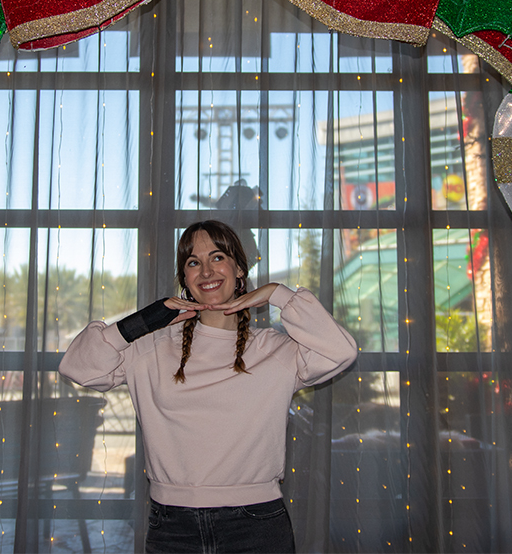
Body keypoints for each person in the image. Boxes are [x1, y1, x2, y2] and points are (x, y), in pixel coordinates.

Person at [59, 220, 357, 553]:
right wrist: (142, 321)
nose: (206, 271)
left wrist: (278, 294)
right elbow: (77, 368)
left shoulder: (275, 350)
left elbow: (340, 351)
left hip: (256, 525)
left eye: (217, 258)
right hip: (172, 527)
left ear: (239, 270)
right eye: (193, 263)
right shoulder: (150, 348)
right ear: (185, 279)